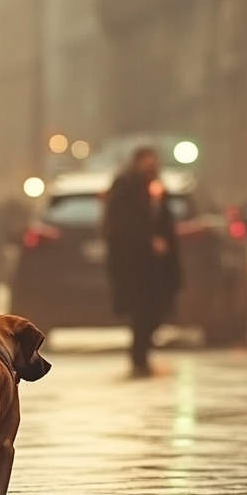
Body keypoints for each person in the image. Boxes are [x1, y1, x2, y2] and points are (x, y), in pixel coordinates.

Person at [101, 146, 182, 378]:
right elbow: (122, 223)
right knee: (141, 309)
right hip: (133, 262)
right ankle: (139, 356)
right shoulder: (125, 186)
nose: (151, 165)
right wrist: (148, 241)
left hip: (157, 265)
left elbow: (163, 221)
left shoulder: (156, 185)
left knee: (157, 310)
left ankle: (142, 352)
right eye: (147, 160)